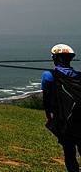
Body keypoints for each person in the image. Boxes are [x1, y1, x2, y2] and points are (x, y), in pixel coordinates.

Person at [42, 43, 81, 172]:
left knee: (69, 154)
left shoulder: (48, 76)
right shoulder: (79, 76)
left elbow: (47, 101)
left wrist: (49, 118)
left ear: (55, 59)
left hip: (65, 122)